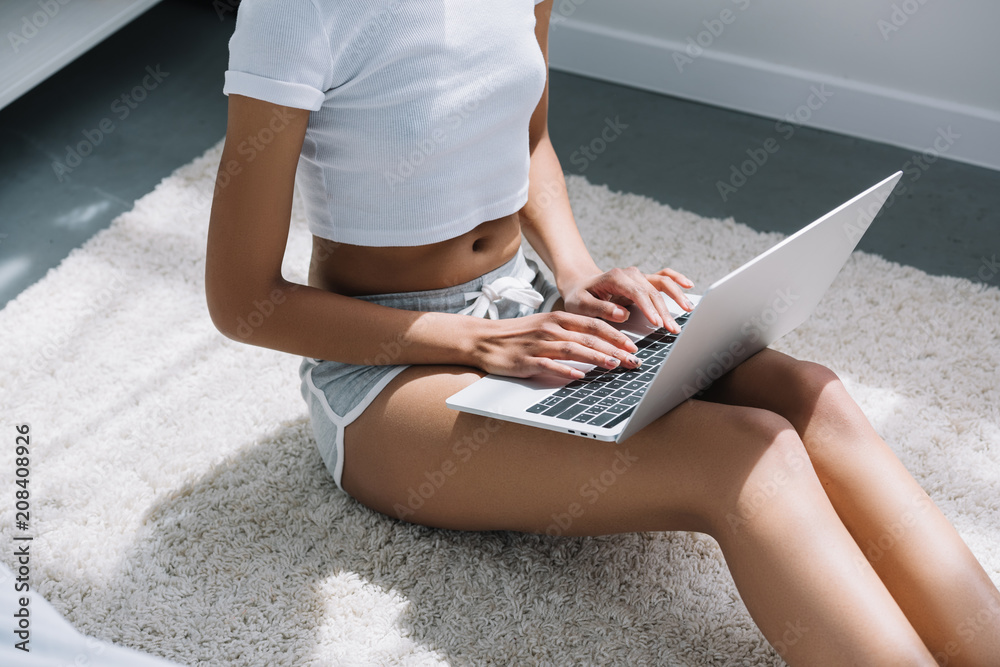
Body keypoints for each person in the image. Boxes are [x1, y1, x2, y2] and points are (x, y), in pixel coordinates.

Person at [205, 1, 1000, 663]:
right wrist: (479, 343)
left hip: (533, 305)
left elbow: (529, 139)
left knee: (808, 392)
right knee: (744, 456)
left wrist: (579, 273)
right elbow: (244, 301)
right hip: (388, 368)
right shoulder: (297, 9)